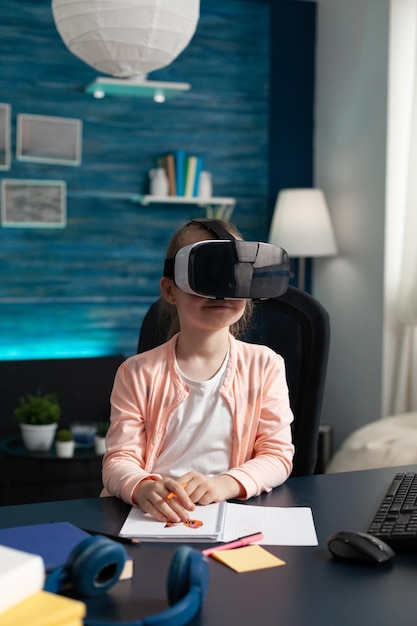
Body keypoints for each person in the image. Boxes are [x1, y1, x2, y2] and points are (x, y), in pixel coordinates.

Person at [101, 219, 294, 523]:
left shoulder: (266, 366)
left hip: (233, 514)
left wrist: (222, 485)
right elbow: (118, 461)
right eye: (205, 276)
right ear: (170, 290)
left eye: (231, 277)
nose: (220, 293)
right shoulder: (135, 373)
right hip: (153, 517)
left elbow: (277, 456)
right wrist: (141, 488)